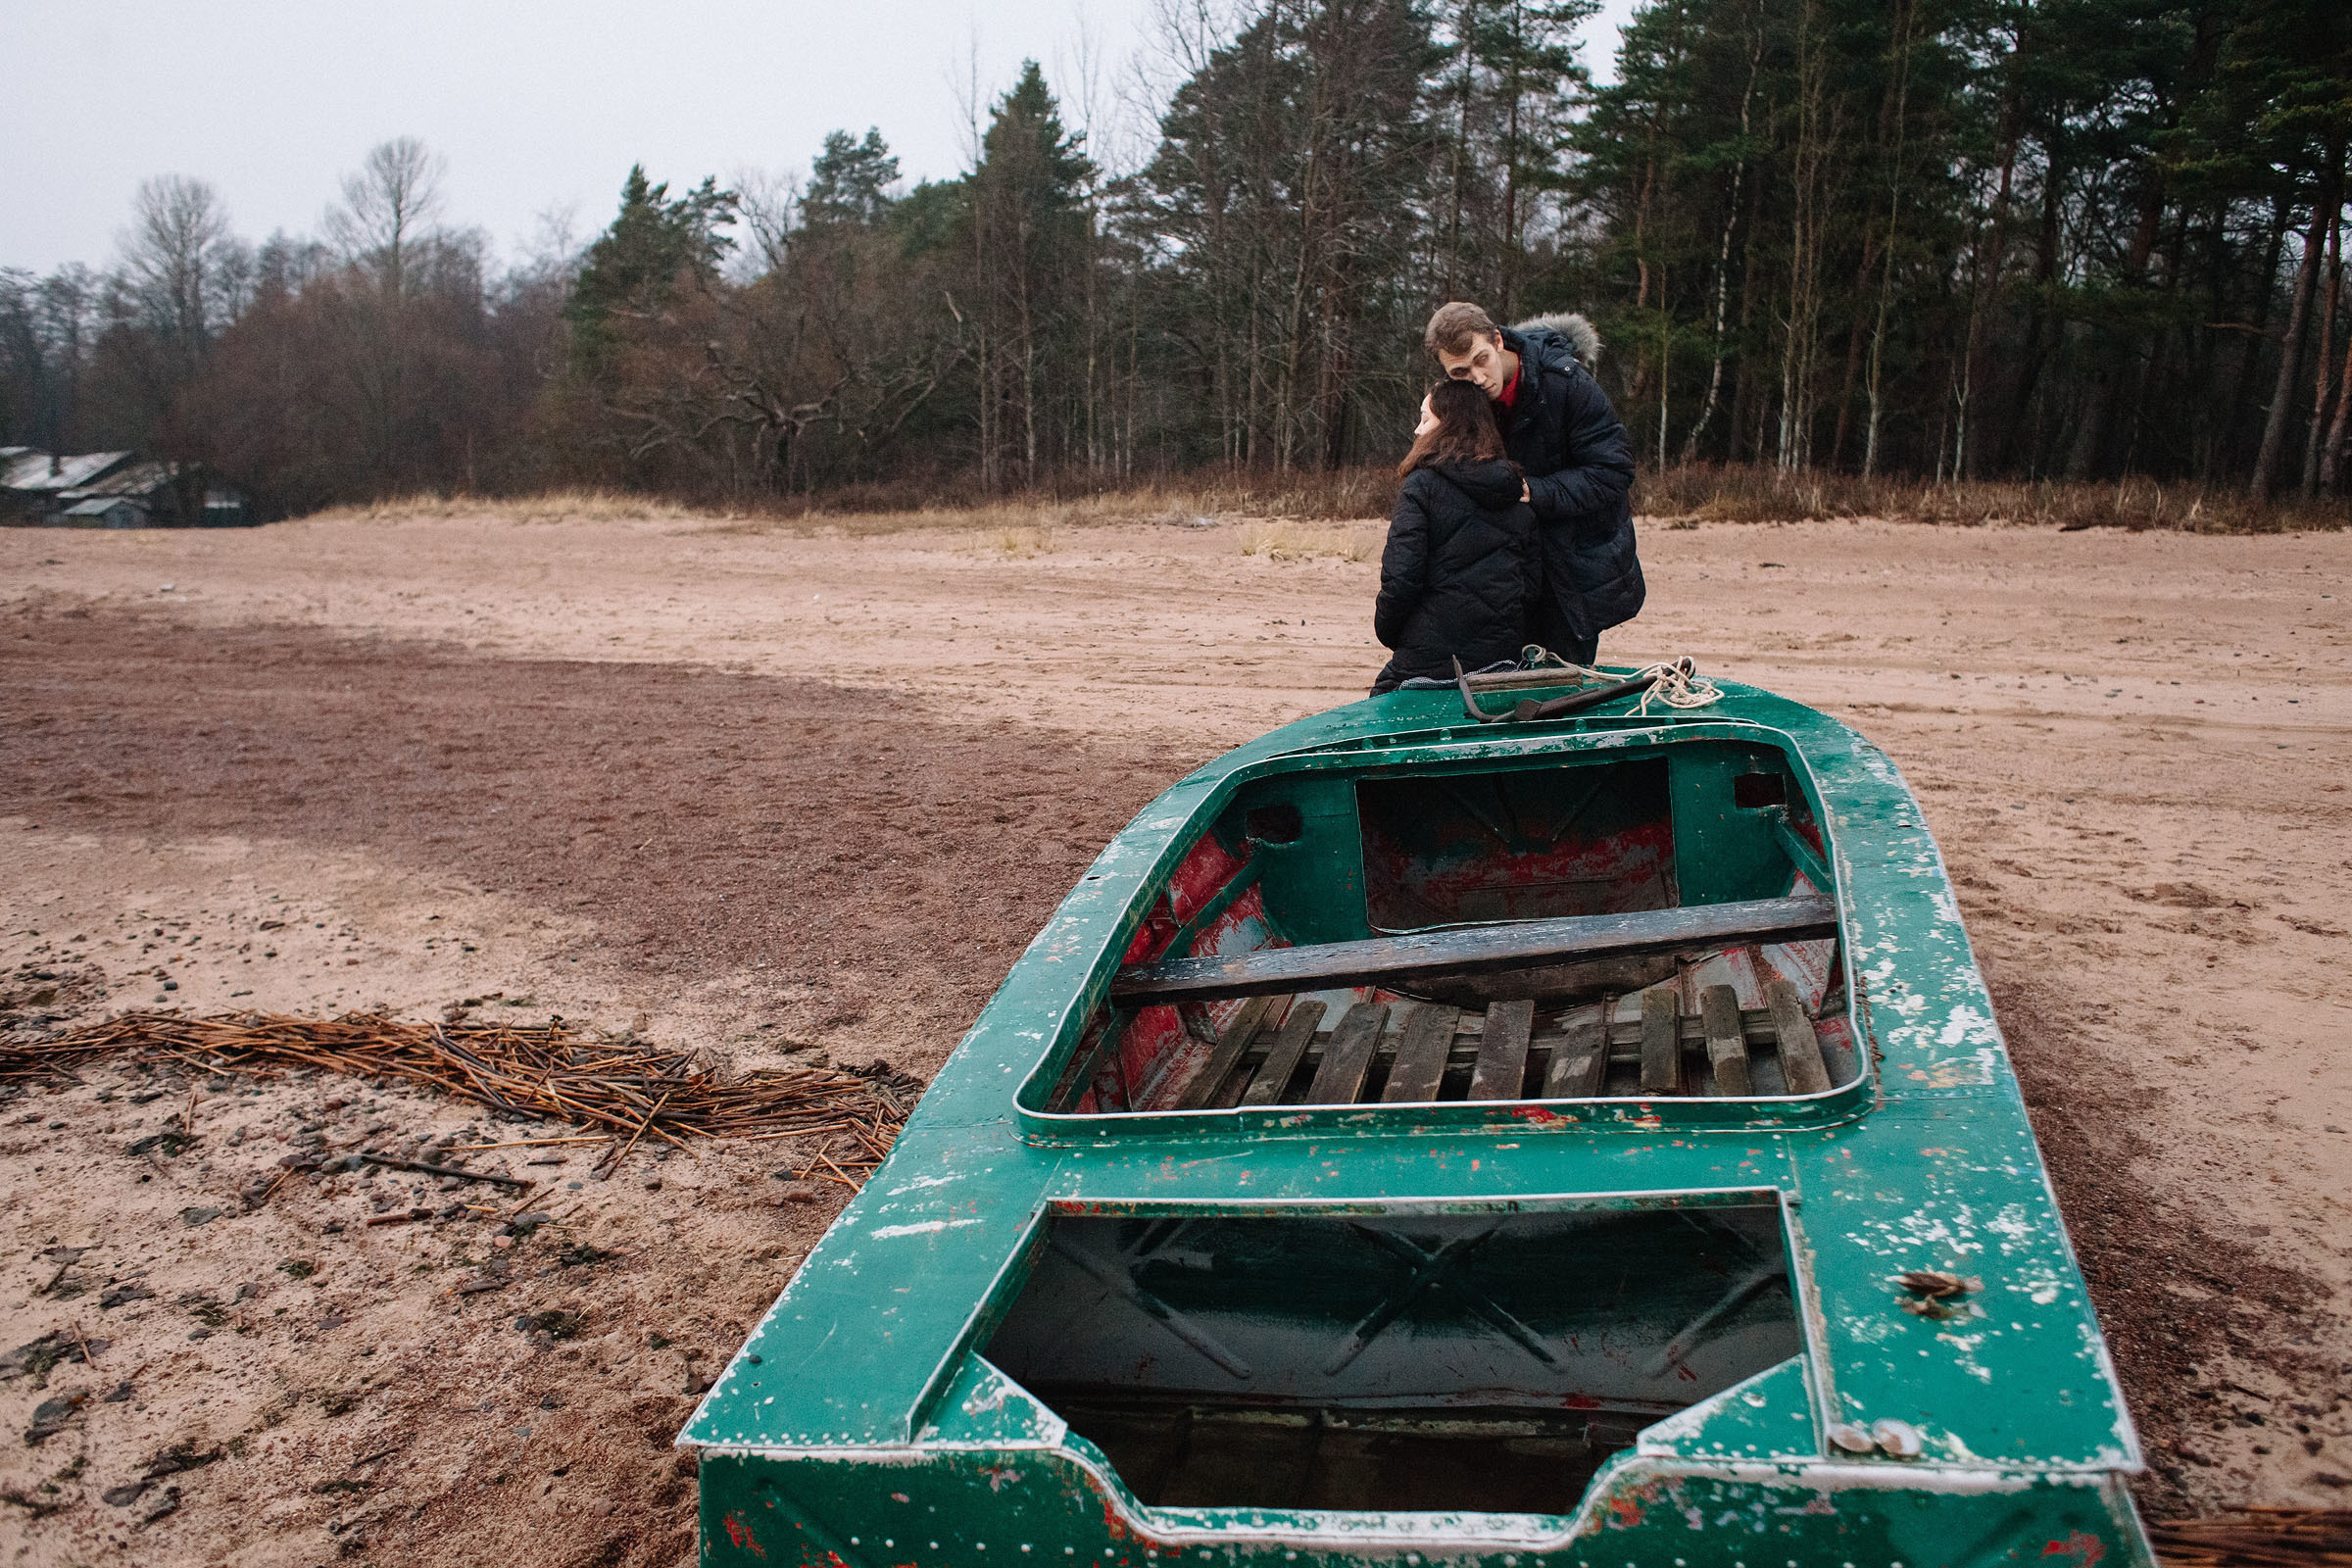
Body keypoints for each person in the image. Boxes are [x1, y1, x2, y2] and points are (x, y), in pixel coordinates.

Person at [1425, 301, 1642, 665]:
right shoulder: (1460, 397)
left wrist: (1536, 491)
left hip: (1571, 568)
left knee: (1562, 690)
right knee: (1500, 695)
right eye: (1461, 371)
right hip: (1504, 574)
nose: (1477, 378)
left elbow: (1614, 470)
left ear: (1497, 341)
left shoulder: (1567, 382)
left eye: (1481, 360)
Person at [1370, 379, 1539, 695]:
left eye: (1425, 418)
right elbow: (1529, 587)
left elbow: (1401, 577)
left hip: (1428, 659)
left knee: (1381, 721)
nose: (1418, 431)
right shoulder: (1515, 492)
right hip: (1500, 661)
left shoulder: (1422, 485)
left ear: (1449, 425)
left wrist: (1392, 634)